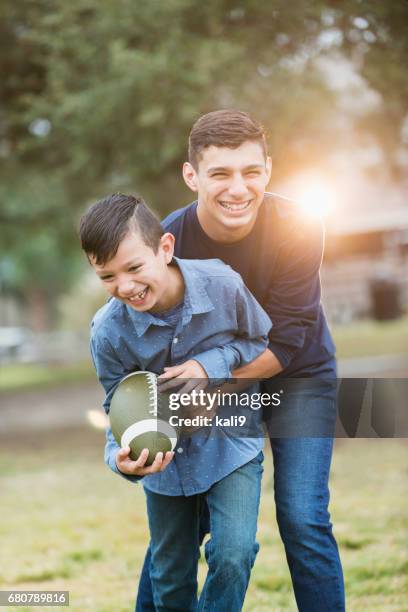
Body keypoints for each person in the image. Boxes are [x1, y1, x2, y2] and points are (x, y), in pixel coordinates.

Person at [136, 110, 346, 611]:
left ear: (268, 171)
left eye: (251, 171)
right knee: (187, 518)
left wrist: (208, 374)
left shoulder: (299, 225)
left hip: (298, 379)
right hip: (214, 390)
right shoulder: (168, 243)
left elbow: (287, 342)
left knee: (302, 516)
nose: (238, 188)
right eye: (220, 174)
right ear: (192, 177)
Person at [79, 193, 273, 611]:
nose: (125, 286)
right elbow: (115, 406)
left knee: (234, 553)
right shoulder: (108, 332)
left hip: (231, 445)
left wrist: (211, 362)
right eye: (107, 276)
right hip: (165, 467)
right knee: (170, 575)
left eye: (134, 267)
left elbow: (257, 340)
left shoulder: (223, 285)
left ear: (165, 248)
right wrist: (119, 459)